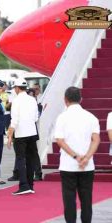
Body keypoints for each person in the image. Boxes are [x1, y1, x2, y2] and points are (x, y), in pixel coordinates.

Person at [55, 87, 100, 223]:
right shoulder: (91, 117)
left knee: (69, 201)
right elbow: (96, 139)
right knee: (87, 201)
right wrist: (86, 157)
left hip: (68, 166)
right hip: (87, 167)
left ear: (65, 100)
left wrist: (75, 156)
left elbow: (59, 140)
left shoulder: (62, 118)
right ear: (81, 99)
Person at [7, 78, 39, 195]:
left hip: (21, 134)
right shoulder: (32, 99)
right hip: (32, 133)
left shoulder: (16, 101)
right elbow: (36, 117)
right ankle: (30, 185)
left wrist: (9, 135)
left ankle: (24, 185)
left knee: (21, 159)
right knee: (31, 159)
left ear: (17, 88)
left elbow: (14, 120)